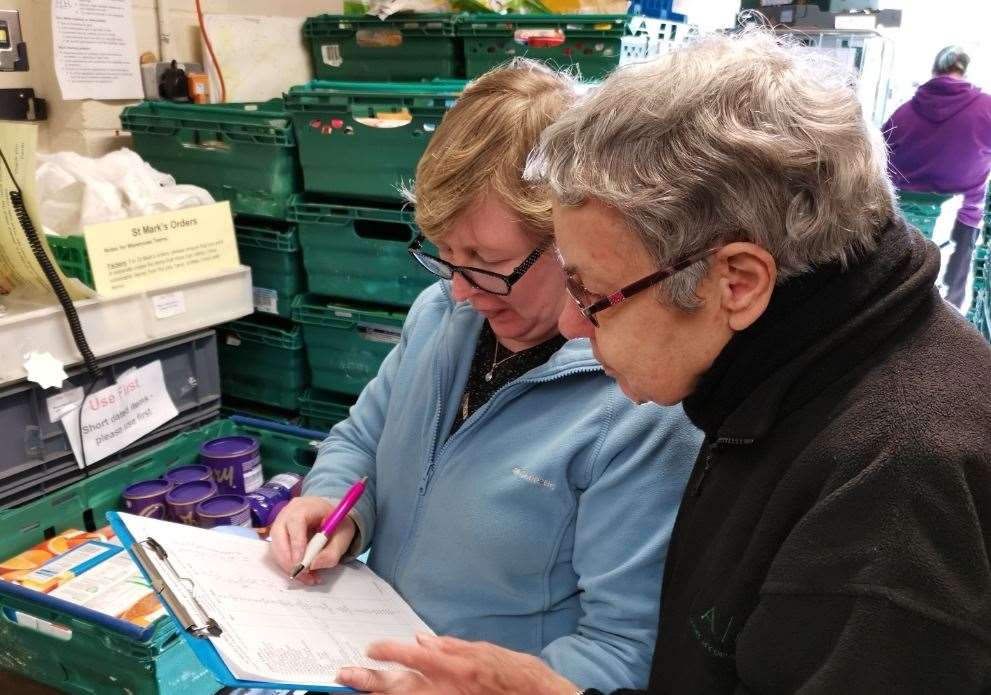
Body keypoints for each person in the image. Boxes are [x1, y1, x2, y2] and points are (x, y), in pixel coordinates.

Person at [356, 29, 991, 694]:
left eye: (594, 294)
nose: (571, 324)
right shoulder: (778, 374)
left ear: (737, 281)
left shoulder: (895, 490)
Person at [268, 58, 701, 693]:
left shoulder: (638, 403)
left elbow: (624, 652)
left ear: (571, 239)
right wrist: (332, 504)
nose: (464, 293)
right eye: (445, 258)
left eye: (487, 262)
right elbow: (361, 440)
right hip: (379, 660)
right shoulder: (440, 317)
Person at [884, 45, 991, 307]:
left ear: (934, 71)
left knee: (894, 292)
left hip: (902, 218)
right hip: (960, 219)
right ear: (964, 71)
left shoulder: (905, 112)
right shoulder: (986, 109)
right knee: (948, 305)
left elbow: (878, 157)